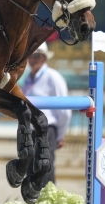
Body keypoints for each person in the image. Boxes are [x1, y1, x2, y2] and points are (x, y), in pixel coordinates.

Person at [22, 42, 71, 185]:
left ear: (44, 58)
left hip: (46, 130)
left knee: (44, 168)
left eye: (36, 56)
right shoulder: (28, 79)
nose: (32, 59)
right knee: (31, 169)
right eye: (30, 56)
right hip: (31, 131)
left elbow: (64, 110)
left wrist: (60, 135)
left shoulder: (53, 77)